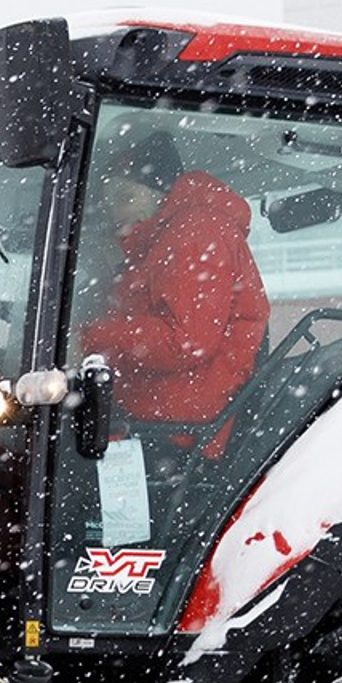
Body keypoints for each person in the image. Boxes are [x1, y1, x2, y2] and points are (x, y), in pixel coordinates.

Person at [76, 128, 270, 458]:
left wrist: (89, 340)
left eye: (126, 197)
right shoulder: (159, 245)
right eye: (110, 204)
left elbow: (184, 341)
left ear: (160, 192)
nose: (116, 213)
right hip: (151, 414)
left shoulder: (196, 232)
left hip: (184, 433)